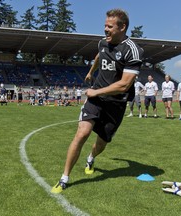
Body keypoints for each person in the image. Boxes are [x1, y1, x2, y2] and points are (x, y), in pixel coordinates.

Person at [51, 9, 143, 193]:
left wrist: (95, 91)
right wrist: (90, 71)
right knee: (82, 133)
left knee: (102, 142)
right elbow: (99, 56)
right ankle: (64, 178)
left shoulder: (133, 51)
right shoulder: (103, 43)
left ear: (122, 27)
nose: (105, 30)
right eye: (104, 26)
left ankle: (91, 157)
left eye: (109, 27)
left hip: (116, 103)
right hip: (96, 100)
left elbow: (124, 85)